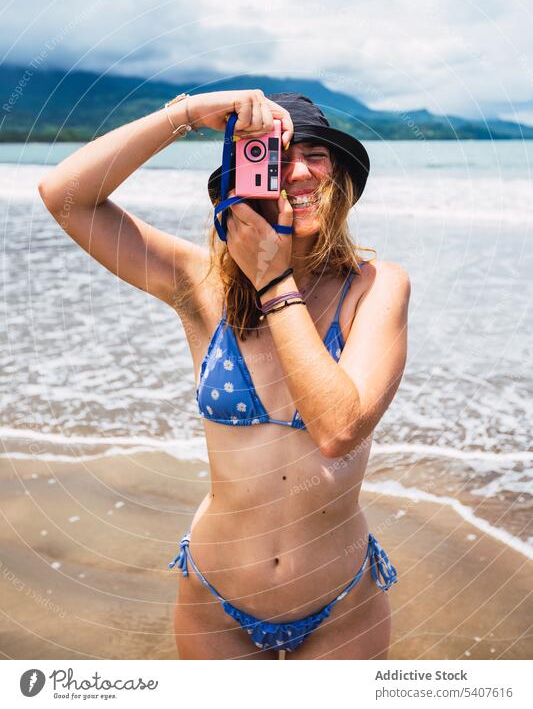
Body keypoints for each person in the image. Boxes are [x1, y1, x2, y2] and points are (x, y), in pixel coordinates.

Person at [38, 88, 410, 660]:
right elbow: (65, 197)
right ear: (241, 179)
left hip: (341, 601)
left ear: (342, 178)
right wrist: (186, 113)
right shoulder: (201, 284)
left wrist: (273, 281)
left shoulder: (376, 287)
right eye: (274, 155)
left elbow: (339, 428)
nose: (298, 172)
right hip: (216, 598)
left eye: (315, 154)